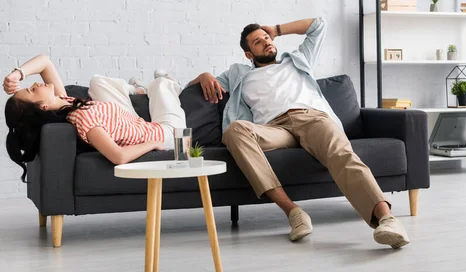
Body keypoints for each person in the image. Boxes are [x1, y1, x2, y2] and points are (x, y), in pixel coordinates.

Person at [188, 17, 410, 249]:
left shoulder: (297, 59)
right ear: (248, 54)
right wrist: (204, 75)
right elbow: (190, 87)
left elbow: (318, 25)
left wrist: (276, 30)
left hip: (311, 119)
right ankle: (293, 212)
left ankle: (387, 219)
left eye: (266, 38)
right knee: (235, 130)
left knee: (341, 153)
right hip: (274, 129)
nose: (265, 42)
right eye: (257, 42)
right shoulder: (237, 74)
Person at [3, 54, 185, 182]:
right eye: (33, 90)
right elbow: (118, 156)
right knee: (161, 84)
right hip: (164, 133)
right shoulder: (83, 119)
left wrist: (16, 74)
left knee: (97, 81)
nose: (35, 83)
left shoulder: (65, 102)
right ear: (43, 107)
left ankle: (137, 90)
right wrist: (153, 143)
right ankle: (169, 83)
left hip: (133, 121)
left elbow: (44, 62)